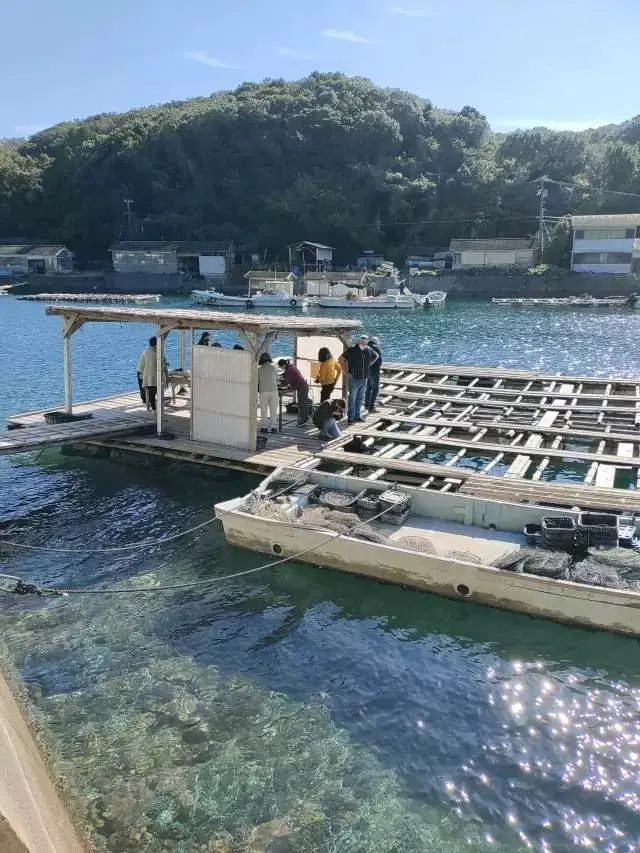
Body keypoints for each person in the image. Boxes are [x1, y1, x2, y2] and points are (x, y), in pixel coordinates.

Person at [341, 334, 379, 424]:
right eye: (362, 339)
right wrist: (345, 372)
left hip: (364, 379)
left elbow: (376, 356)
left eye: (365, 340)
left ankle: (357, 416)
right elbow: (341, 359)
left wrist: (368, 364)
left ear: (367, 341)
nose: (364, 341)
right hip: (354, 378)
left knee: (360, 399)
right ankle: (350, 418)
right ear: (359, 341)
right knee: (352, 399)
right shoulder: (352, 350)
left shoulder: (368, 350)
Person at [138, 336, 168, 412]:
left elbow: (141, 367)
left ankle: (153, 409)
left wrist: (141, 376)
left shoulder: (145, 352)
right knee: (159, 393)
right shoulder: (160, 353)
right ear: (157, 344)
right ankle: (159, 408)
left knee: (151, 394)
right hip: (159, 377)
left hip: (149, 378)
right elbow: (163, 365)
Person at [277, 358, 311, 425]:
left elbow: (286, 382)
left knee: (302, 404)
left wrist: (279, 382)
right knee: (303, 403)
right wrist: (280, 376)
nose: (281, 368)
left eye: (281, 367)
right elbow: (286, 374)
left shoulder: (289, 370)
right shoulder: (290, 367)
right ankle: (304, 418)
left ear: (283, 365)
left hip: (301, 387)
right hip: (303, 386)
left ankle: (303, 419)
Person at [258, 352, 279, 433]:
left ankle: (264, 427)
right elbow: (277, 379)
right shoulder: (274, 368)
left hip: (263, 391)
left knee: (264, 410)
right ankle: (273, 427)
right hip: (274, 391)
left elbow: (257, 381)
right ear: (269, 360)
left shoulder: (259, 370)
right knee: (273, 411)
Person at [364, 336, 382, 414]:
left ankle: (367, 405)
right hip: (375, 372)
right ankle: (371, 408)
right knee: (375, 389)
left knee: (368, 388)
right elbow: (379, 362)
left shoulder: (366, 347)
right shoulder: (376, 349)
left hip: (367, 371)